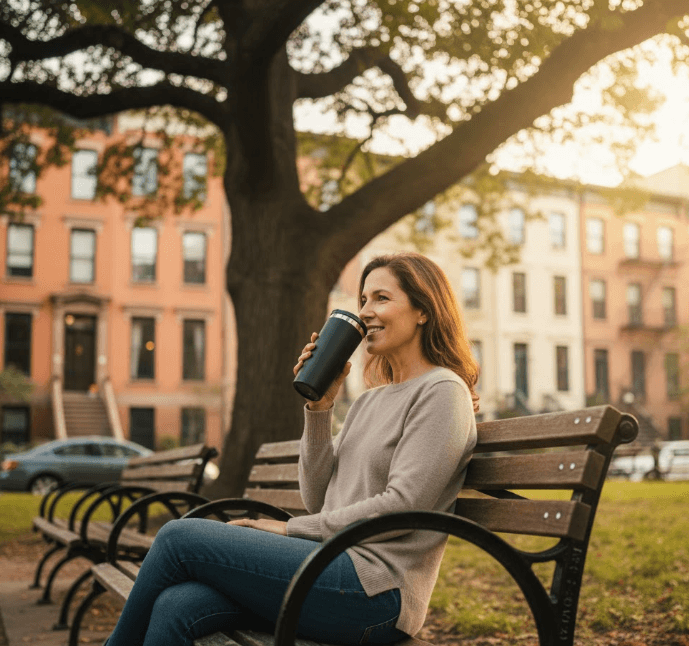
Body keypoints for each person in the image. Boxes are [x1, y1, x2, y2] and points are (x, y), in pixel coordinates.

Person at [104, 252, 479, 646]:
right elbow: (318, 499)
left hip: (377, 591)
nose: (366, 311)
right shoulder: (369, 401)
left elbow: (405, 507)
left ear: (423, 310)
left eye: (382, 298)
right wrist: (319, 407)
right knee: (176, 604)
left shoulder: (442, 391)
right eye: (363, 300)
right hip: (330, 569)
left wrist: (288, 528)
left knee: (178, 538)